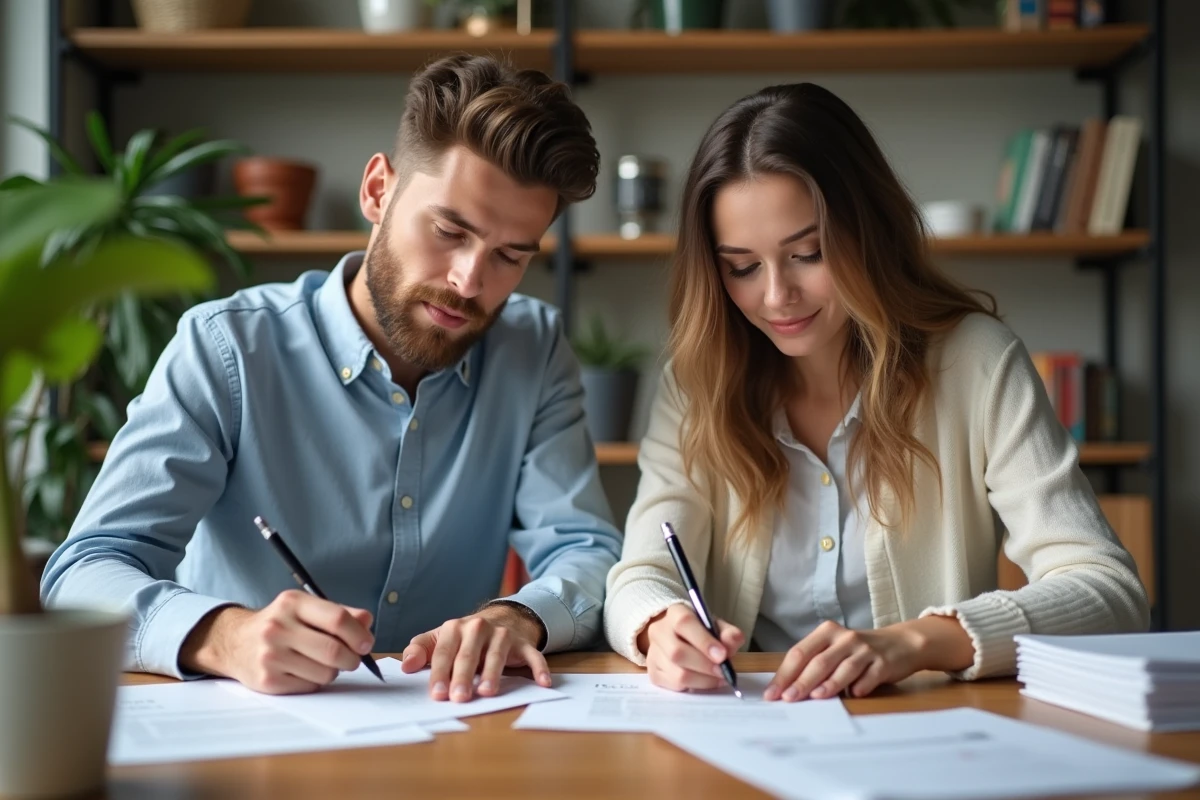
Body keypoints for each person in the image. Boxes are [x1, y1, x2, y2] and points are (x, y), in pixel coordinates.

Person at [41, 54, 621, 699]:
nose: (469, 281)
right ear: (378, 191)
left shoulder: (532, 348)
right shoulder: (227, 345)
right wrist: (225, 635)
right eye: (449, 230)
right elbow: (84, 573)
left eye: (511, 256)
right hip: (251, 733)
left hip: (455, 733)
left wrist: (520, 617)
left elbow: (585, 549)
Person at [603, 82, 1149, 701]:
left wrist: (917, 641)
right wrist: (660, 627)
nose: (777, 296)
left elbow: (1108, 590)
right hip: (750, 722)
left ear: (869, 230)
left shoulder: (977, 363)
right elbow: (642, 573)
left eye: (807, 253)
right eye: (743, 267)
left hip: (926, 731)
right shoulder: (697, 381)